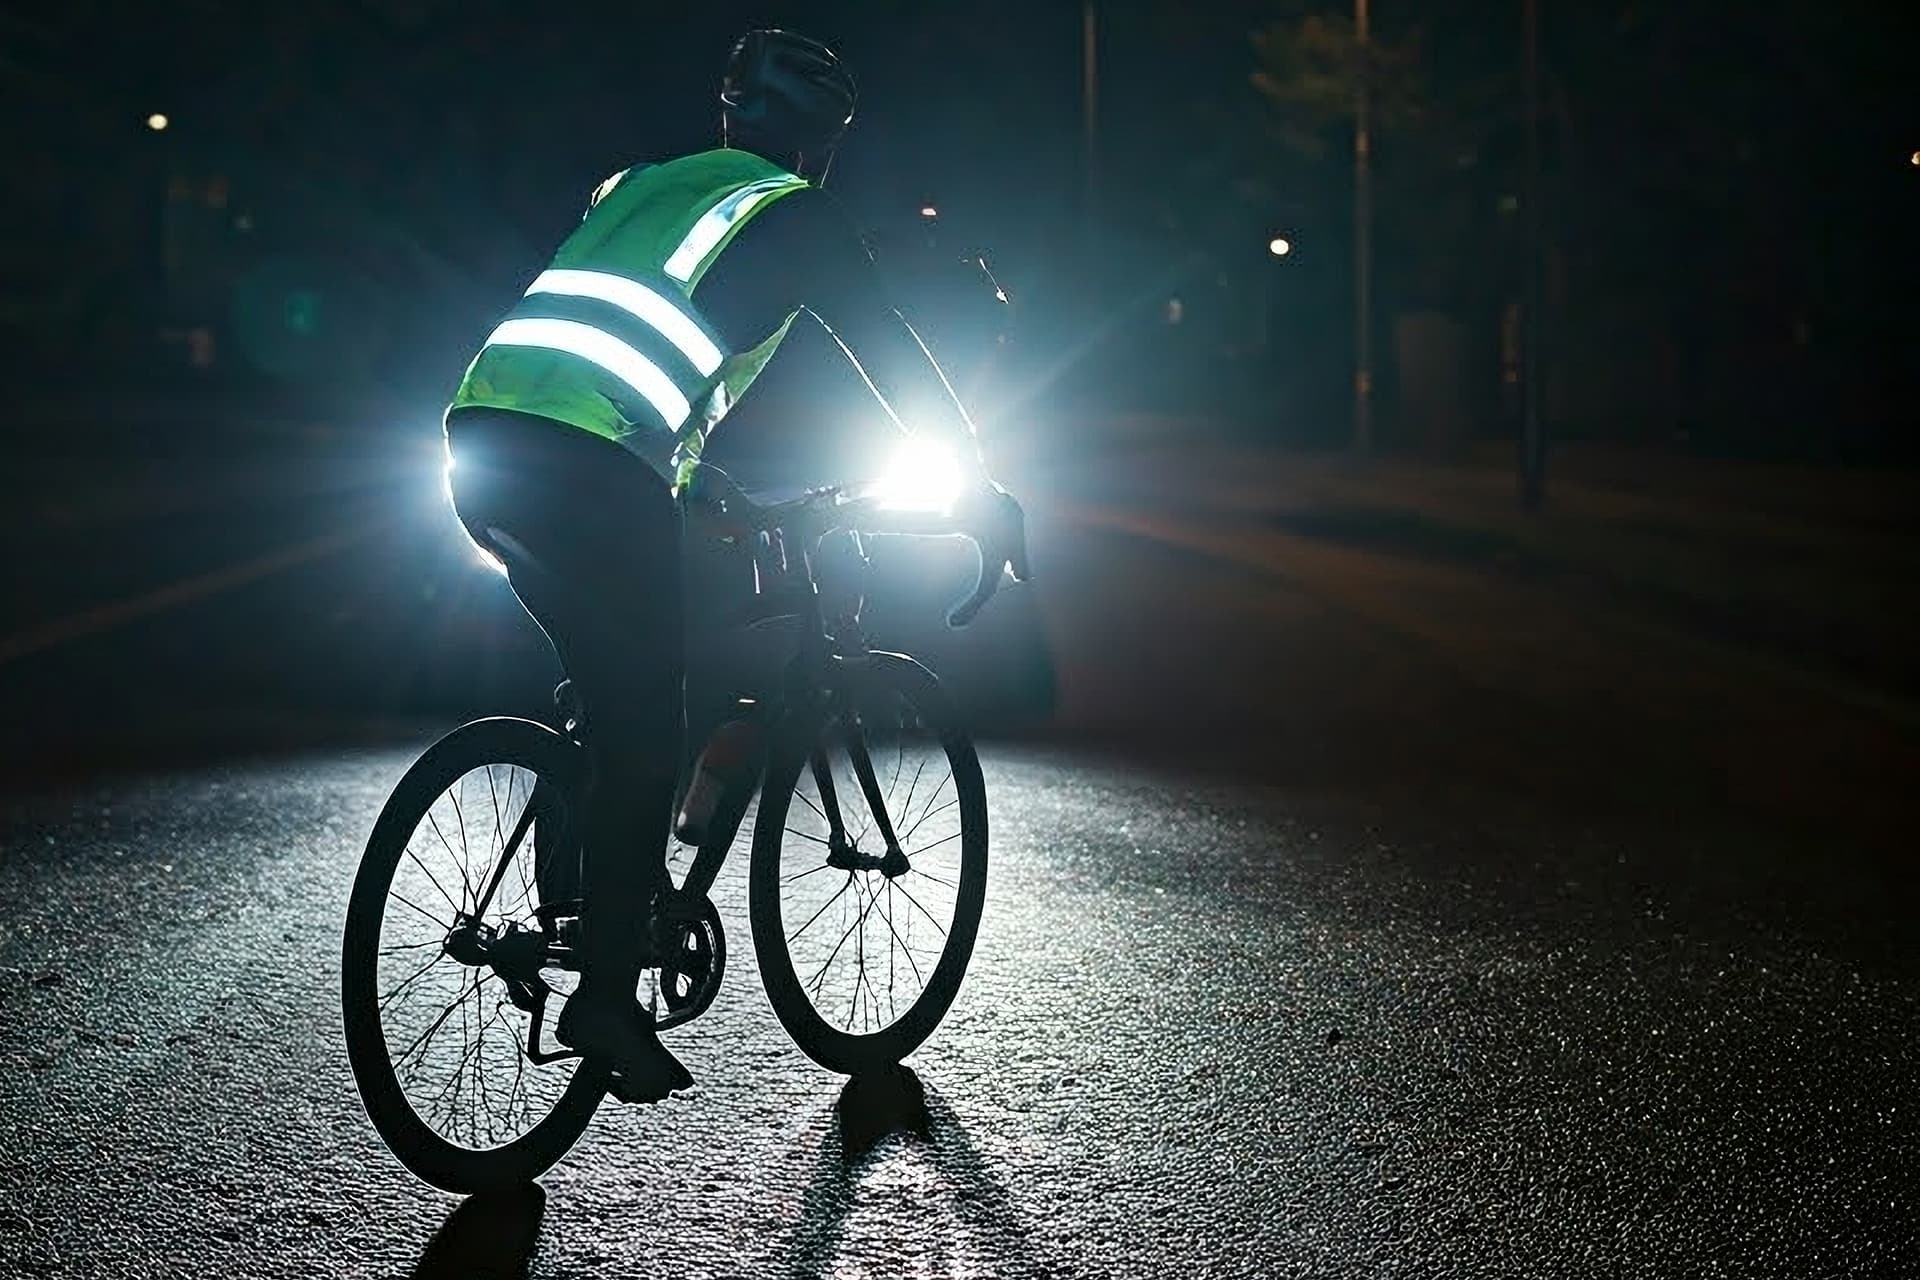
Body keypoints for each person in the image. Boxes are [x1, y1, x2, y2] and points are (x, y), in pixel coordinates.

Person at [441, 29, 1015, 1103]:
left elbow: (635, 347)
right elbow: (890, 352)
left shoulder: (641, 184)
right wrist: (980, 489)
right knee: (650, 719)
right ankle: (608, 991)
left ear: (728, 118)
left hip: (483, 437)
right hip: (591, 466)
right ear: (826, 144)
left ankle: (579, 886)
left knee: (623, 683)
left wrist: (700, 481)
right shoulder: (796, 212)